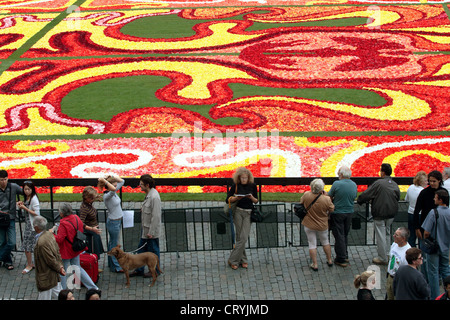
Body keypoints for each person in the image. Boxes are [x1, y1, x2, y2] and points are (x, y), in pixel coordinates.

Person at [357, 163, 400, 265]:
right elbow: (397, 197)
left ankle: (382, 257)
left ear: (383, 172)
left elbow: (366, 194)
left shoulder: (379, 183)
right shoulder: (394, 184)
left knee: (380, 235)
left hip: (380, 212)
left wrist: (360, 200)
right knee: (388, 233)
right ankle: (389, 254)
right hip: (391, 213)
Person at [51, 203, 99, 291]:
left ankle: (64, 291)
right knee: (77, 267)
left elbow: (59, 239)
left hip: (66, 250)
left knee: (63, 270)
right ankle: (93, 287)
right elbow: (81, 227)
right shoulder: (76, 217)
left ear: (62, 213)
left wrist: (52, 234)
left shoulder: (63, 223)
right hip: (76, 248)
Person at [413, 170, 445, 281]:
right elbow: (416, 211)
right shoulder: (424, 193)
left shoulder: (443, 193)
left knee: (441, 256)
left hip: (440, 230)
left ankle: (438, 278)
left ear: (439, 181)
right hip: (425, 228)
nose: (431, 183)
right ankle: (427, 279)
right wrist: (417, 227)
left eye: (434, 181)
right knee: (425, 257)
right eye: (430, 181)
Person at [225, 167, 258, 270]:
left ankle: (233, 259)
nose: (244, 180)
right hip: (238, 212)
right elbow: (228, 200)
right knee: (240, 237)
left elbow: (256, 201)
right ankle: (243, 260)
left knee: (243, 237)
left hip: (248, 213)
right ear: (239, 178)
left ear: (249, 178)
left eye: (246, 178)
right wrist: (236, 198)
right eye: (242, 178)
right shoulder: (235, 186)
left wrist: (251, 197)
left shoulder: (252, 186)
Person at [130, 174, 162, 277]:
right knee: (141, 249)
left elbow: (156, 216)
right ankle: (139, 269)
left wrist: (151, 232)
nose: (140, 186)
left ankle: (155, 271)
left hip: (150, 232)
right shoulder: (150, 195)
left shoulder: (154, 197)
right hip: (146, 229)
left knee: (153, 251)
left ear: (147, 185)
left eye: (141, 184)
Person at [421, 189, 450, 299]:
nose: (434, 199)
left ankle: (435, 297)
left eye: (435, 197)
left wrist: (425, 239)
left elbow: (427, 232)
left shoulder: (434, 212)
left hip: (434, 247)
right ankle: (447, 294)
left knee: (432, 273)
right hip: (446, 246)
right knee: (445, 269)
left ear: (440, 200)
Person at [300, 178, 334, 271]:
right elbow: (332, 209)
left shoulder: (306, 195)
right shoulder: (326, 199)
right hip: (322, 224)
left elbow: (301, 202)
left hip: (309, 224)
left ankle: (315, 264)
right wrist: (327, 196)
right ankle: (329, 260)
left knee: (312, 244)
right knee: (325, 242)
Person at [328, 166, 357, 267]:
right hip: (349, 212)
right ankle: (345, 254)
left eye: (339, 173)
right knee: (344, 234)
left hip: (338, 213)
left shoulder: (337, 184)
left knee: (339, 235)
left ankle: (341, 258)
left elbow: (329, 196)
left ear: (341, 174)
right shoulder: (353, 184)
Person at [33, 215, 65, 300]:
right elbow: (57, 252)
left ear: (36, 227)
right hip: (53, 276)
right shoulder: (49, 235)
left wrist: (59, 267)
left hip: (46, 277)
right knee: (61, 296)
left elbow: (50, 259)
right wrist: (60, 266)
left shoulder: (41, 242)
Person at [98, 176, 124, 273]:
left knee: (112, 242)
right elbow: (113, 189)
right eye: (114, 185)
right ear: (108, 186)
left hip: (116, 220)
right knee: (114, 244)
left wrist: (111, 176)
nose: (116, 186)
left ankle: (111, 264)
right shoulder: (107, 195)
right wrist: (104, 180)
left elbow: (122, 181)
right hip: (114, 222)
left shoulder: (112, 192)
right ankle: (116, 266)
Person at [0, 169, 23, 270]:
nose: (3, 182)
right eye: (1, 180)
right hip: (0, 218)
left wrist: (23, 203)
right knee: (1, 241)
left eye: (5, 179)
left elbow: (26, 192)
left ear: (8, 179)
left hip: (11, 218)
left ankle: (1, 257)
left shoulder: (13, 187)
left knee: (12, 242)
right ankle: (7, 261)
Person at [17, 180, 40, 274]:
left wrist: (25, 208)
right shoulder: (28, 198)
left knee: (27, 245)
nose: (26, 191)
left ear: (32, 189)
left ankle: (30, 264)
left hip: (32, 225)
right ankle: (31, 263)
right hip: (29, 224)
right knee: (29, 245)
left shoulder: (34, 199)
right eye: (25, 189)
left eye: (28, 189)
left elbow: (36, 213)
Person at [79, 186, 104, 261]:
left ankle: (95, 266)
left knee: (96, 250)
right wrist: (91, 229)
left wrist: (96, 197)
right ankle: (94, 267)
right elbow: (81, 223)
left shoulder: (88, 203)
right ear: (87, 198)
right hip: (90, 233)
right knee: (93, 251)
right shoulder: (84, 208)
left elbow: (91, 198)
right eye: (92, 198)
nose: (93, 200)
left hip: (94, 231)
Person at [386, 227, 411, 300]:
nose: (393, 236)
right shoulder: (394, 244)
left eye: (396, 235)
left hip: (399, 281)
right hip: (390, 277)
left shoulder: (407, 252)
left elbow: (407, 272)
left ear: (403, 238)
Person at [405, 171, 427, 247]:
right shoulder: (422, 191)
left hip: (410, 213)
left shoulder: (410, 187)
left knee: (411, 235)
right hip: (420, 215)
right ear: (421, 182)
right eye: (425, 181)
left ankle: (412, 252)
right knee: (421, 235)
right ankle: (421, 252)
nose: (427, 182)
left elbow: (406, 199)